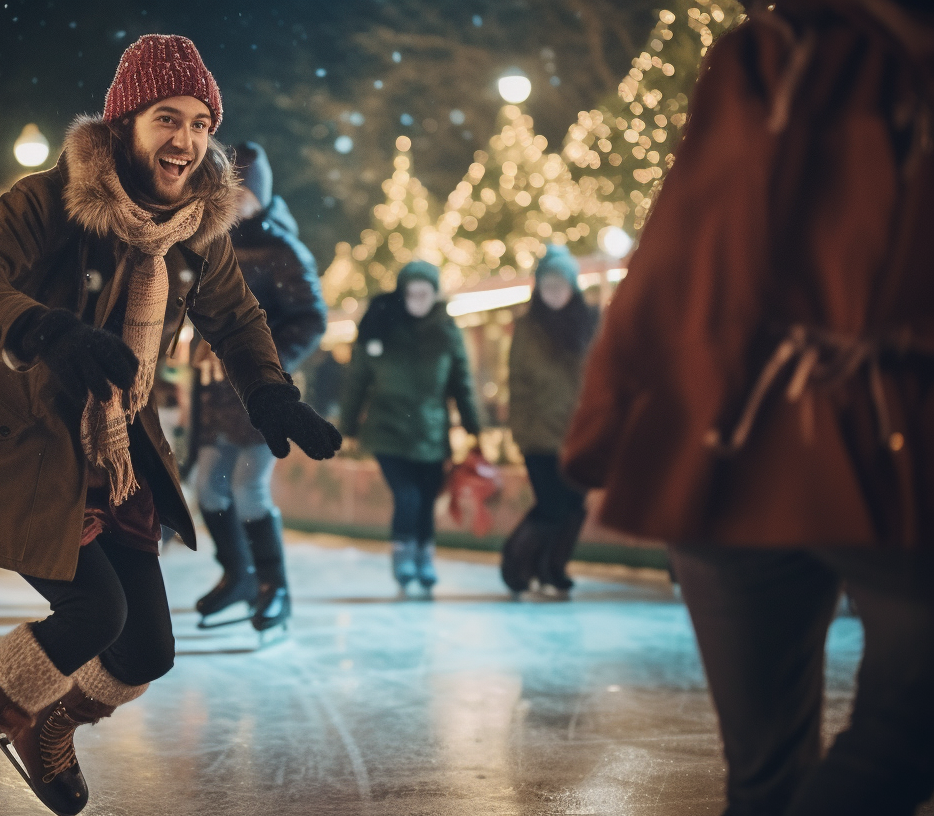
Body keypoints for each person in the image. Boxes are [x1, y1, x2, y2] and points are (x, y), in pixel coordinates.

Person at [0, 34, 340, 816]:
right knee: (97, 611)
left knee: (146, 648)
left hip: (115, 450)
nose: (187, 140)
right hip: (21, 441)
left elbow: (235, 320)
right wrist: (44, 332)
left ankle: (42, 727)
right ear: (126, 120)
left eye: (202, 122)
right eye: (169, 118)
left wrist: (271, 394)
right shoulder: (49, 202)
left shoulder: (199, 225)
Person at [562, 3, 934, 814]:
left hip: (733, 443)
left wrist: (603, 437)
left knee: (776, 769)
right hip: (824, 435)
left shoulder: (778, 54)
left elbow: (677, 252)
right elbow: (685, 249)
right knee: (816, 756)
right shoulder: (789, 57)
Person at [191, 141, 327, 633]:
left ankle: (275, 589)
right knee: (208, 487)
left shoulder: (282, 250)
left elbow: (310, 319)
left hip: (259, 399)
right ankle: (238, 575)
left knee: (248, 489)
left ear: (261, 194)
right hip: (214, 395)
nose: (237, 200)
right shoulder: (209, 242)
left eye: (245, 192)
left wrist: (268, 365)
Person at [339, 260, 481, 592]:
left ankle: (424, 558)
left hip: (431, 431)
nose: (417, 299)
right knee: (407, 495)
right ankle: (404, 555)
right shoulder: (380, 324)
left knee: (427, 497)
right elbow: (357, 379)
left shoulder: (446, 331)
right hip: (388, 429)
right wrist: (346, 427)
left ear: (435, 294)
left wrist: (474, 426)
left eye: (424, 293)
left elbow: (461, 381)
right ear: (401, 294)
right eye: (411, 293)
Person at [500, 245, 599, 599]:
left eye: (560, 285)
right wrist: (521, 430)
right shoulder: (528, 327)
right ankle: (516, 564)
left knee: (573, 506)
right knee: (551, 505)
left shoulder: (592, 322)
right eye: (547, 286)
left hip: (581, 434)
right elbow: (518, 381)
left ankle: (552, 568)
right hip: (540, 434)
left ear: (573, 286)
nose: (553, 292)